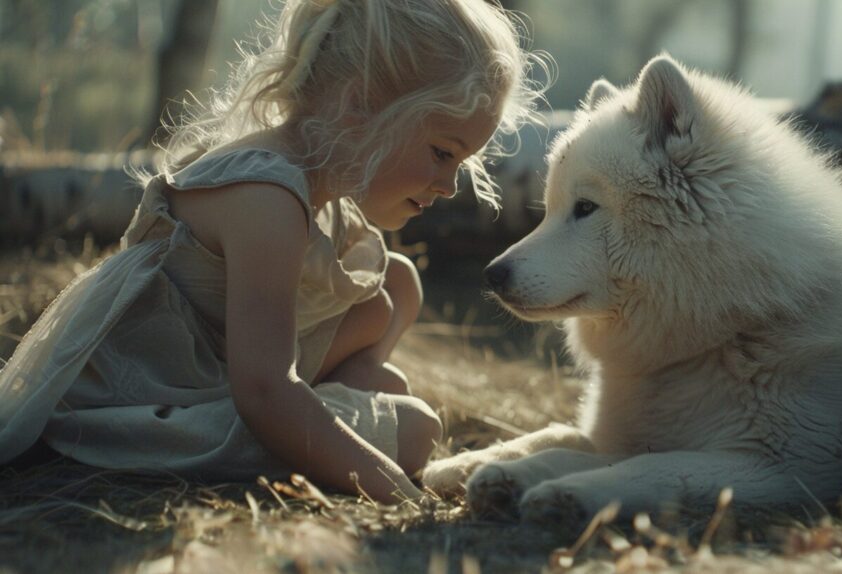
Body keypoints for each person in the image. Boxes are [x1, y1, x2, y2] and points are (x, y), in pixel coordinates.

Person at [0, 0, 548, 503]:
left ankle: (327, 416)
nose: (450, 185)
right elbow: (264, 391)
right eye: (441, 152)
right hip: (142, 405)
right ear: (360, 104)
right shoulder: (269, 200)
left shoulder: (313, 180)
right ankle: (320, 425)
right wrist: (396, 490)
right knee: (417, 429)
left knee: (394, 288)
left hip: (217, 371)